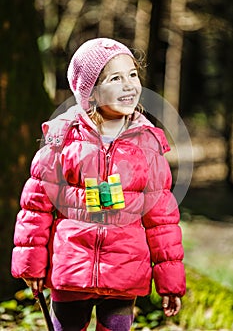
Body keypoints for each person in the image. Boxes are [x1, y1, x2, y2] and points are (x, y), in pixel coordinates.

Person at [11, 38, 186, 331]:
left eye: (132, 74)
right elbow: (35, 207)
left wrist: (170, 282)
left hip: (124, 275)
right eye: (115, 78)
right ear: (89, 93)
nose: (129, 85)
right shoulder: (63, 139)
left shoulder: (148, 143)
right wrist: (32, 265)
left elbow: (162, 221)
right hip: (70, 272)